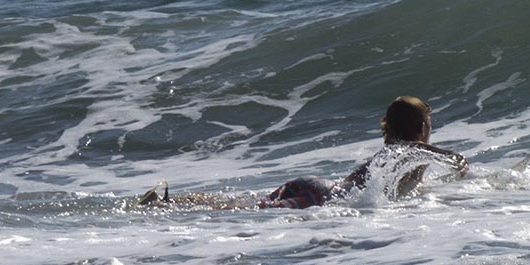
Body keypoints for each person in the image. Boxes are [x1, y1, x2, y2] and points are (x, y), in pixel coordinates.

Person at [137, 96, 469, 210]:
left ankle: (171, 201)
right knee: (250, 208)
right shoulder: (407, 151)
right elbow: (415, 150)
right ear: (421, 126)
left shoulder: (394, 157)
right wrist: (458, 161)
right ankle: (170, 204)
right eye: (428, 122)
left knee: (247, 203)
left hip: (319, 188)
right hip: (323, 197)